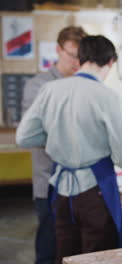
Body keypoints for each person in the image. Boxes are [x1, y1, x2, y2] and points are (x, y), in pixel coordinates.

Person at [16, 35, 122, 263]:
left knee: (66, 256)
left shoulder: (50, 89)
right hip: (95, 191)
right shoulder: (109, 97)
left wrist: (56, 134)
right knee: (99, 256)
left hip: (60, 190)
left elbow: (24, 137)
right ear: (110, 62)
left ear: (80, 60)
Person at [21, 25, 87, 264]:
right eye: (72, 55)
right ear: (58, 50)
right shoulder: (38, 87)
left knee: (77, 251)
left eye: (82, 57)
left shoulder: (86, 86)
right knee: (50, 249)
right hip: (49, 182)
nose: (77, 62)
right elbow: (34, 134)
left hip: (82, 185)